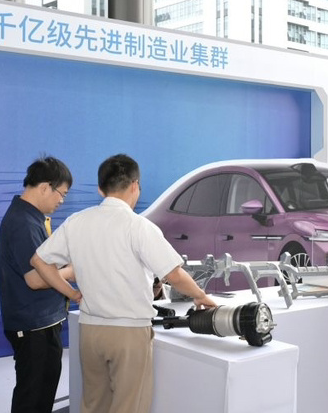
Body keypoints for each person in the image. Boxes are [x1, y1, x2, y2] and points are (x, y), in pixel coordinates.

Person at [30, 154, 218, 413]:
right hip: (129, 331)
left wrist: (71, 293)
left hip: (90, 330)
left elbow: (39, 260)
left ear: (100, 189)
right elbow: (173, 275)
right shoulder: (139, 227)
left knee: (93, 404)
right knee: (129, 406)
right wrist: (199, 295)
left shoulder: (77, 222)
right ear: (135, 185)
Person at [0, 156, 75, 413]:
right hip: (33, 326)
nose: (61, 201)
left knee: (42, 392)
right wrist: (71, 272)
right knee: (33, 396)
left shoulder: (30, 217)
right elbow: (36, 279)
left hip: (41, 322)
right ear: (44, 187)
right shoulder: (23, 223)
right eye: (61, 194)